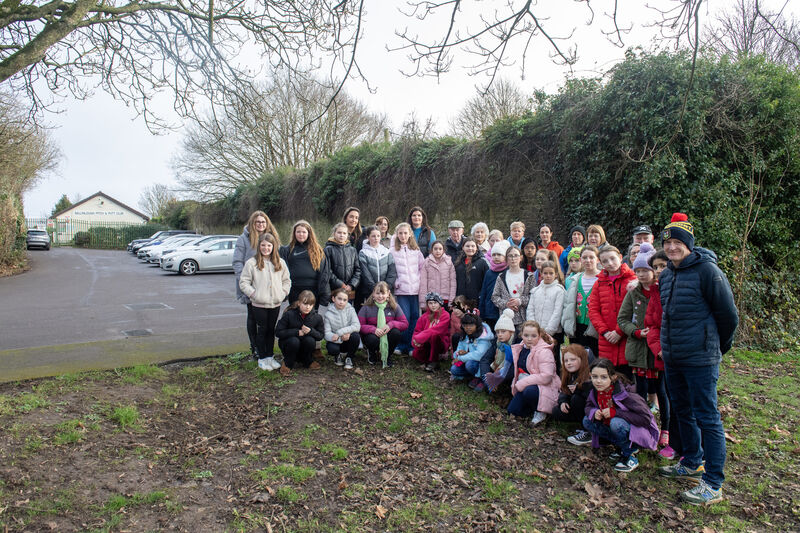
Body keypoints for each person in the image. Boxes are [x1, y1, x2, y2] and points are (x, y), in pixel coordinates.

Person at [656, 213, 738, 505]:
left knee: (707, 416)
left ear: (689, 244)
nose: (672, 247)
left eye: (678, 242)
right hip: (674, 357)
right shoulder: (666, 275)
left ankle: (713, 483)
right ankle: (692, 461)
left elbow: (728, 316)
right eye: (668, 243)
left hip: (701, 358)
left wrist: (715, 348)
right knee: (682, 411)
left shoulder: (708, 271)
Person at [617, 243, 671, 459]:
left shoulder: (663, 291)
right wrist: (637, 332)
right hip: (639, 350)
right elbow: (622, 319)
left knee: (662, 392)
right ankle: (643, 427)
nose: (641, 274)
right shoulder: (633, 293)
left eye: (645, 270)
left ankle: (666, 429)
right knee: (640, 392)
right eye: (637, 270)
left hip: (658, 352)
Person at [583, 359, 659, 472]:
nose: (598, 381)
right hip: (612, 427)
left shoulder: (626, 394)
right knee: (587, 420)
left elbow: (645, 419)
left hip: (636, 432)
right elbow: (588, 406)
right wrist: (594, 412)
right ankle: (621, 446)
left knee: (616, 423)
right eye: (595, 377)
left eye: (603, 377)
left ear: (613, 377)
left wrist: (616, 413)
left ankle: (630, 454)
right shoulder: (595, 390)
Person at [238, 233, 291, 371]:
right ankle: (262, 358)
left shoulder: (280, 262)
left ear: (273, 246)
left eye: (269, 245)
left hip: (275, 303)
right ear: (259, 246)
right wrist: (254, 294)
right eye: (263, 245)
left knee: (271, 330)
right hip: (259, 303)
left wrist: (283, 293)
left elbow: (287, 280)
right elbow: (244, 282)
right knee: (262, 330)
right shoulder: (252, 263)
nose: (266, 248)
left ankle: (270, 356)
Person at [233, 210, 281, 359]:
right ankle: (255, 348)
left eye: (263, 222)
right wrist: (245, 283)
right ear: (252, 223)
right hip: (251, 287)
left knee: (268, 322)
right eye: (257, 222)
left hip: (269, 287)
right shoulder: (243, 239)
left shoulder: (272, 238)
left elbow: (278, 261)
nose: (260, 224)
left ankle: (267, 349)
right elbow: (237, 262)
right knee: (253, 317)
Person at [644, 249, 676, 458]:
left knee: (673, 395)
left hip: (680, 351)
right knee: (662, 390)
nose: (658, 270)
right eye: (655, 267)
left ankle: (671, 431)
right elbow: (651, 324)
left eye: (662, 266)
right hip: (661, 353)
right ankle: (665, 430)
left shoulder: (680, 288)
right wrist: (659, 349)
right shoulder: (656, 292)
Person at [587, 245, 636, 377]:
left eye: (612, 259)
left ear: (620, 257)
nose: (610, 263)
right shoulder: (599, 283)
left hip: (626, 337)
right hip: (606, 338)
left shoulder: (632, 280)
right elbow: (593, 310)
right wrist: (605, 332)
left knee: (628, 379)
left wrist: (619, 331)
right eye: (605, 261)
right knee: (609, 377)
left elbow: (634, 310)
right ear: (601, 263)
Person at [507, 320, 561, 426]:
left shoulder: (544, 351)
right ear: (521, 335)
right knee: (513, 411)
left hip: (544, 387)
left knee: (529, 392)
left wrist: (523, 382)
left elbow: (546, 376)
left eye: (533, 336)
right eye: (526, 335)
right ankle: (532, 407)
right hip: (526, 383)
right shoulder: (520, 348)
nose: (529, 339)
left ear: (539, 335)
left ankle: (541, 411)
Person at [390, 222, 425, 354]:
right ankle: (401, 345)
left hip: (415, 289)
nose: (403, 236)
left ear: (410, 234)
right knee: (404, 317)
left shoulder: (416, 250)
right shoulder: (392, 251)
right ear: (396, 235)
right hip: (402, 290)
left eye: (405, 233)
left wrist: (419, 281)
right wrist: (395, 282)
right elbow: (390, 269)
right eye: (400, 233)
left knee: (415, 317)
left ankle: (412, 345)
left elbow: (422, 267)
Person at [279, 220, 331, 308]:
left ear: (309, 233)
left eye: (304, 232)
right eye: (298, 232)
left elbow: (324, 273)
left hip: (312, 290)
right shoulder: (286, 250)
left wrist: (324, 293)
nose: (301, 234)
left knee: (310, 314)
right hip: (294, 289)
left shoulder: (318, 250)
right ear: (294, 233)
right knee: (295, 313)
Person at [358, 281, 409, 367]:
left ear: (388, 293)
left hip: (387, 334)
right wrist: (373, 329)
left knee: (396, 333)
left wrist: (391, 324)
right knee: (372, 339)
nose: (380, 296)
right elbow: (359, 325)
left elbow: (405, 323)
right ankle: (372, 353)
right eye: (377, 293)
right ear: (373, 293)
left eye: (383, 293)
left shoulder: (394, 306)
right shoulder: (366, 307)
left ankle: (387, 355)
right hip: (373, 335)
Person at [526, 260, 566, 367]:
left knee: (552, 359)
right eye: (545, 273)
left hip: (553, 333)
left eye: (551, 273)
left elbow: (557, 312)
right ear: (541, 274)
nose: (548, 276)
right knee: (537, 358)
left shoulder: (559, 291)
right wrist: (533, 328)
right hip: (536, 333)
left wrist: (548, 331)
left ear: (556, 274)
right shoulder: (536, 291)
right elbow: (530, 309)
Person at [275, 290, 325, 375]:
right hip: (289, 344)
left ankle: (307, 360)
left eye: (310, 305)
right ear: (299, 303)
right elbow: (278, 332)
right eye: (305, 304)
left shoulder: (317, 317)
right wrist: (296, 332)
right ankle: (287, 363)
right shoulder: (289, 314)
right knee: (294, 341)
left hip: (305, 345)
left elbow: (321, 336)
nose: (308, 307)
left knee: (310, 340)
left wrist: (311, 331)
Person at [553, 344, 594, 446]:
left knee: (576, 399)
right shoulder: (569, 373)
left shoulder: (591, 373)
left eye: (573, 359)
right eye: (566, 361)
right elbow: (564, 390)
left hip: (592, 409)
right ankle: (580, 424)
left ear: (582, 359)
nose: (569, 363)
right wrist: (563, 401)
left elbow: (592, 397)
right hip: (577, 406)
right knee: (556, 411)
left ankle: (588, 431)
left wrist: (578, 390)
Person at [491, 245, 534, 336]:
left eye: (516, 255)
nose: (513, 258)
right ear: (506, 259)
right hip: (506, 319)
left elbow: (533, 296)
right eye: (510, 256)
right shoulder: (501, 277)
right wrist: (507, 304)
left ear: (521, 257)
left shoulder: (529, 276)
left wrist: (520, 301)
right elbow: (495, 297)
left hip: (524, 318)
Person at [357, 225, 397, 309]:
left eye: (378, 236)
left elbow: (392, 271)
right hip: (369, 291)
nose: (376, 238)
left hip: (385, 291)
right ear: (368, 237)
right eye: (373, 236)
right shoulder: (363, 253)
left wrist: (385, 287)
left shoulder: (387, 252)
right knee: (372, 313)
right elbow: (365, 273)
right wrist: (374, 289)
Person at [449, 313, 494, 386]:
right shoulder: (465, 335)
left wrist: (460, 358)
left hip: (482, 364)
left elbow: (479, 355)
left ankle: (479, 377)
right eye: (465, 325)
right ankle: (471, 376)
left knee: (469, 364)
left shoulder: (483, 337)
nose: (468, 328)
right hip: (467, 360)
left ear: (477, 325)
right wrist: (458, 353)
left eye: (471, 325)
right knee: (454, 369)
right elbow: (458, 349)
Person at [411, 292, 451, 372]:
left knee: (434, 335)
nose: (433, 305)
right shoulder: (423, 317)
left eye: (435, 303)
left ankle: (434, 361)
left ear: (440, 303)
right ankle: (428, 359)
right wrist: (415, 342)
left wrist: (420, 337)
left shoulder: (445, 315)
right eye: (430, 303)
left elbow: (437, 330)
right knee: (416, 354)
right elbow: (417, 331)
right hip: (426, 342)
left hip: (440, 342)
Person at [324, 287, 361, 370]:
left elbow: (357, 326)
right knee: (332, 349)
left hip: (348, 339)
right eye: (339, 299)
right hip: (337, 341)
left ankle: (349, 357)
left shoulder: (351, 310)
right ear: (333, 299)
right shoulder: (328, 314)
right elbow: (326, 333)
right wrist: (339, 337)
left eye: (345, 300)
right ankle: (338, 355)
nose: (341, 302)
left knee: (355, 336)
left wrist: (342, 333)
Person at [324, 222, 361, 300]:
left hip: (349, 290)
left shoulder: (352, 250)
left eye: (344, 233)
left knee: (348, 307)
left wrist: (352, 285)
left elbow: (358, 270)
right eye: (339, 232)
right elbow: (327, 270)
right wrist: (340, 284)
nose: (341, 235)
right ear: (334, 234)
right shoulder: (328, 249)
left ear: (347, 235)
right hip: (334, 289)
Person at [482, 309, 515, 393]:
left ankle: (504, 388)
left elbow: (512, 367)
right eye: (497, 332)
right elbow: (485, 359)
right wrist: (487, 380)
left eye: (503, 331)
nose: (499, 334)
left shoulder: (516, 345)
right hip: (496, 369)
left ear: (511, 332)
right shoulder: (497, 342)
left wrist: (495, 379)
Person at [478, 240, 510, 330]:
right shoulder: (489, 272)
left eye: (499, 255)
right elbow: (484, 292)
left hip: (504, 310)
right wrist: (482, 311)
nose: (496, 257)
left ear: (505, 256)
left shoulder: (508, 271)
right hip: (490, 311)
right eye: (494, 255)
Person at [418, 240, 456, 310]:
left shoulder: (449, 263)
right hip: (431, 300)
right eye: (435, 249)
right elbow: (423, 283)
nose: (438, 251)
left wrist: (451, 301)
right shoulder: (427, 263)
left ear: (443, 250)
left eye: (440, 249)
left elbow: (453, 283)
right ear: (432, 250)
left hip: (445, 299)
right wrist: (423, 302)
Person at [454, 238, 489, 303]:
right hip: (460, 301)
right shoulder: (458, 263)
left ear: (476, 248)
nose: (470, 248)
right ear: (463, 247)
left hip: (476, 301)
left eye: (473, 246)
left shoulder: (482, 262)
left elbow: (487, 282)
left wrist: (481, 295)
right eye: (467, 246)